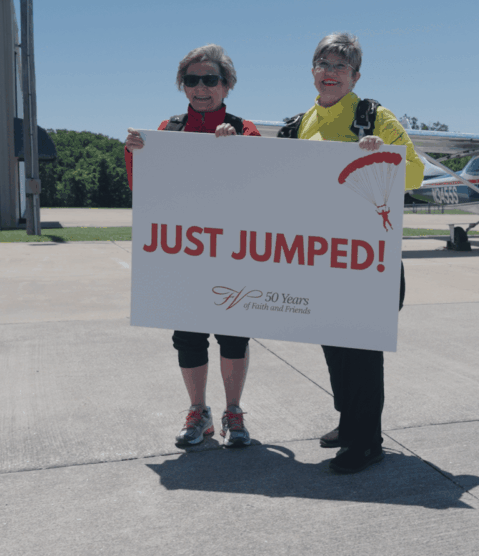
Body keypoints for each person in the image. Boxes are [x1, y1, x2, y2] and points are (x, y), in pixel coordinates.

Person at [283, 32, 424, 473]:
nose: (330, 73)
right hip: (320, 254)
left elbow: (416, 173)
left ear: (356, 76)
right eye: (323, 65)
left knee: (360, 349)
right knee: (333, 343)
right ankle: (349, 423)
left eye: (340, 67)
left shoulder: (374, 117)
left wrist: (385, 155)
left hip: (366, 260)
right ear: (312, 73)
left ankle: (366, 441)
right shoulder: (298, 124)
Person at [124, 44, 261, 449]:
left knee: (234, 335)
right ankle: (198, 411)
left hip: (234, 251)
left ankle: (233, 411)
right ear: (183, 86)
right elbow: (142, 190)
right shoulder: (168, 130)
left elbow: (264, 188)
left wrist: (239, 145)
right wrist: (134, 154)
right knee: (188, 336)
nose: (201, 88)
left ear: (227, 85)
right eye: (192, 80)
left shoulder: (245, 128)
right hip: (184, 252)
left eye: (210, 80)